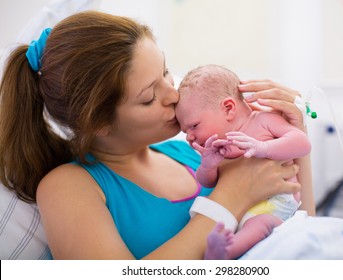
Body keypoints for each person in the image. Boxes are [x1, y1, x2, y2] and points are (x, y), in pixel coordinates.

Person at [0, 11, 313, 259]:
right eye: (149, 97)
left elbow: (300, 234)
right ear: (99, 123)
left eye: (165, 71)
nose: (174, 94)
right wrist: (230, 198)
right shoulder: (68, 188)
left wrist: (293, 131)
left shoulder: (195, 153)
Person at [175, 64, 311, 259]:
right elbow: (207, 182)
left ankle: (224, 253)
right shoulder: (216, 147)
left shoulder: (262, 120)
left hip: (276, 206)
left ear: (228, 108)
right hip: (238, 210)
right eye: (185, 132)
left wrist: (264, 148)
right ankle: (223, 249)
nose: (189, 137)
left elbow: (302, 143)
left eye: (194, 126)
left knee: (260, 224)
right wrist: (208, 166)